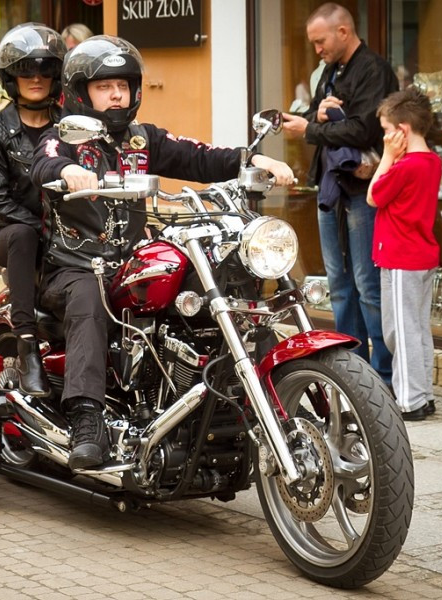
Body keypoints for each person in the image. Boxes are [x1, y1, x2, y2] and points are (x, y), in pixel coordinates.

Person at [31, 35, 295, 470]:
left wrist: (251, 162)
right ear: (81, 92)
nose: (116, 95)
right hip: (77, 267)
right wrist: (70, 170)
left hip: (130, 262)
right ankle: (86, 419)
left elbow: (198, 156)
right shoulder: (64, 138)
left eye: (123, 86)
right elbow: (45, 162)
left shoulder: (143, 139)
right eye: (104, 86)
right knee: (88, 301)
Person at [281, 3, 398, 386]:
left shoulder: (374, 70)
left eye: (321, 41)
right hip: (331, 187)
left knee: (367, 285)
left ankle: (382, 376)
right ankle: (352, 373)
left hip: (362, 190)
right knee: (339, 284)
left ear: (343, 32)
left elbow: (365, 131)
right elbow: (319, 117)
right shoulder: (329, 71)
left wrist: (310, 129)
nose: (317, 50)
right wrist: (317, 115)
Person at [0, 23, 67, 398]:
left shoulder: (70, 124)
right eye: (26, 70)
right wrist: (46, 230)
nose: (36, 78)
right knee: (23, 235)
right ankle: (27, 347)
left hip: (68, 231)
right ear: (11, 77)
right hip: (13, 233)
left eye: (45, 69)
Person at [366, 88, 442, 421]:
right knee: (418, 328)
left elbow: (373, 196)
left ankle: (410, 401)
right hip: (420, 256)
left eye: (386, 131)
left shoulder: (403, 167)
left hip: (400, 258)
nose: (384, 137)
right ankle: (423, 394)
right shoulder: (432, 162)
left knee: (400, 331)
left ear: (402, 130)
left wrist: (386, 157)